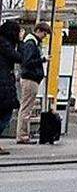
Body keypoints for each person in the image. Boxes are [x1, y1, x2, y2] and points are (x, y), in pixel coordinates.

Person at [16, 22, 50, 145]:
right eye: (44, 34)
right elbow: (27, 62)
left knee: (26, 107)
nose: (44, 37)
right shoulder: (31, 43)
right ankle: (23, 136)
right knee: (26, 108)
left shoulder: (30, 42)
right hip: (30, 79)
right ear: (39, 31)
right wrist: (42, 59)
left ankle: (23, 134)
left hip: (30, 78)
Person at [0, 20, 23, 155]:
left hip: (4, 83)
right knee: (5, 114)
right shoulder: (5, 44)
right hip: (3, 84)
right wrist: (20, 43)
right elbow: (19, 57)